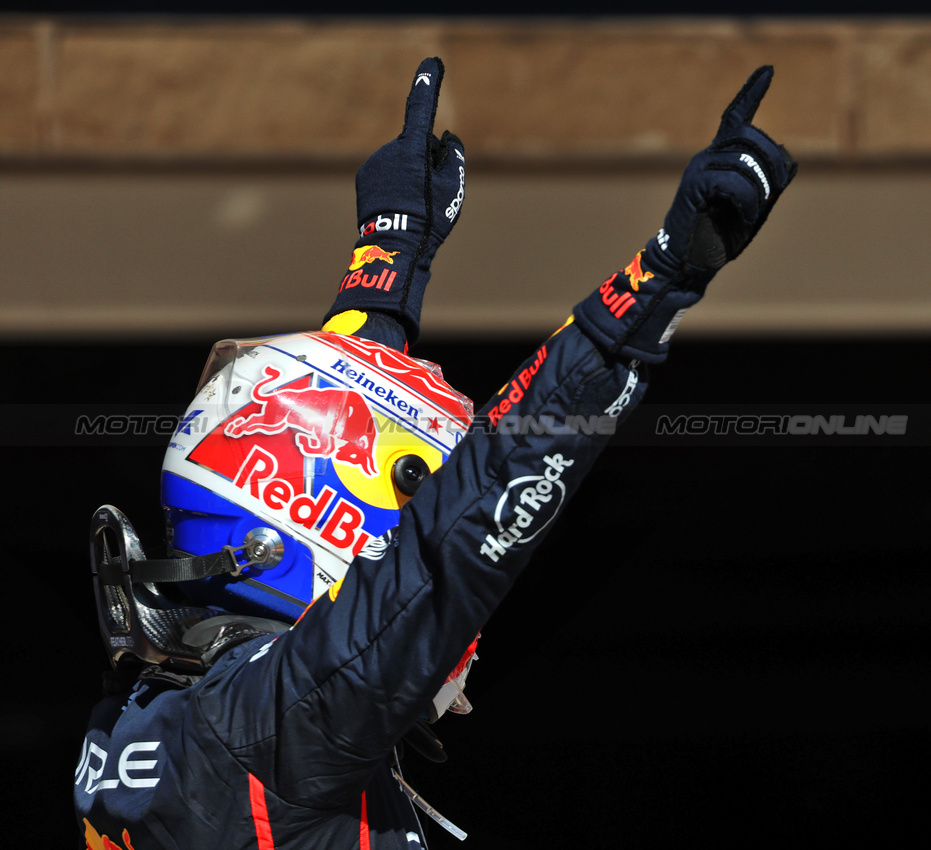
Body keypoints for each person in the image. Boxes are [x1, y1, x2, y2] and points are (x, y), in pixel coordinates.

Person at [74, 57, 796, 849]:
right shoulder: (278, 735)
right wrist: (657, 282)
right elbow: (460, 527)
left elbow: (312, 424)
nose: (465, 646)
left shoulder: (178, 719)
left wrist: (387, 262)